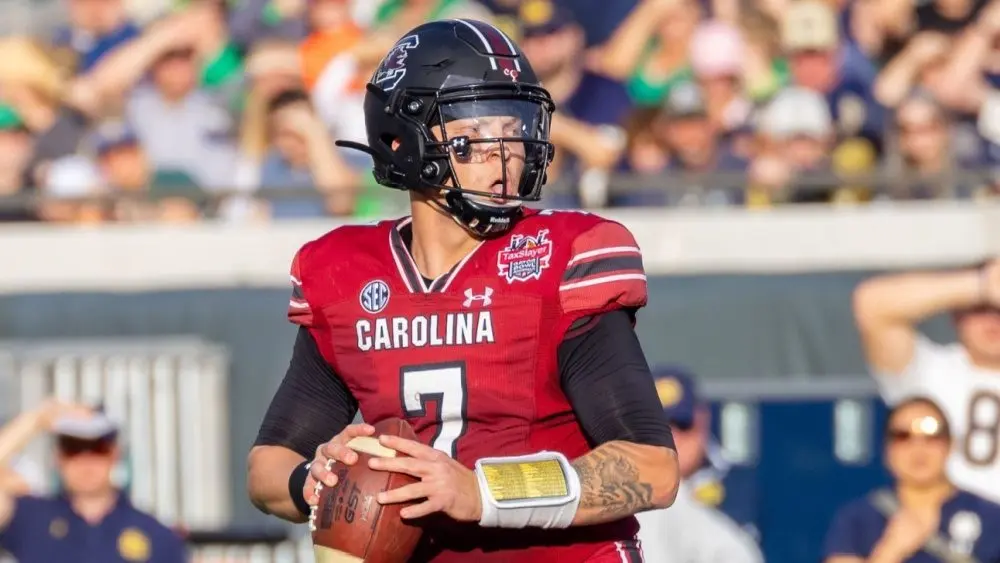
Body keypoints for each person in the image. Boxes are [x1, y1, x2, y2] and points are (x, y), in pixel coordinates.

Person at [247, 18, 680, 562]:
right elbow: (267, 465)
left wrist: (482, 490)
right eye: (474, 136)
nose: (505, 156)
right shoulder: (346, 274)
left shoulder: (560, 256)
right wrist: (315, 479)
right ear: (403, 140)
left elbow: (653, 468)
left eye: (514, 130)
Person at [853, 259, 1000, 504]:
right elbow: (871, 306)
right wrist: (981, 285)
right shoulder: (929, 370)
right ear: (956, 316)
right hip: (943, 521)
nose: (992, 321)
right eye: (979, 309)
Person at [0, 401, 187, 563]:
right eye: (74, 449)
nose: (86, 462)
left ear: (114, 455)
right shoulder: (30, 519)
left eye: (98, 449)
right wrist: (36, 420)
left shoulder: (156, 536)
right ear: (58, 458)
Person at [823, 397, 1000, 563]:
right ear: (887, 449)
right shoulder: (857, 520)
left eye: (932, 436)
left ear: (951, 444)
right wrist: (891, 550)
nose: (918, 448)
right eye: (902, 436)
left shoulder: (992, 518)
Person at [636, 369, 763, 563]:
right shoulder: (623, 488)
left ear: (703, 419)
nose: (672, 436)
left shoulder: (739, 483)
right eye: (658, 426)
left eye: (683, 424)